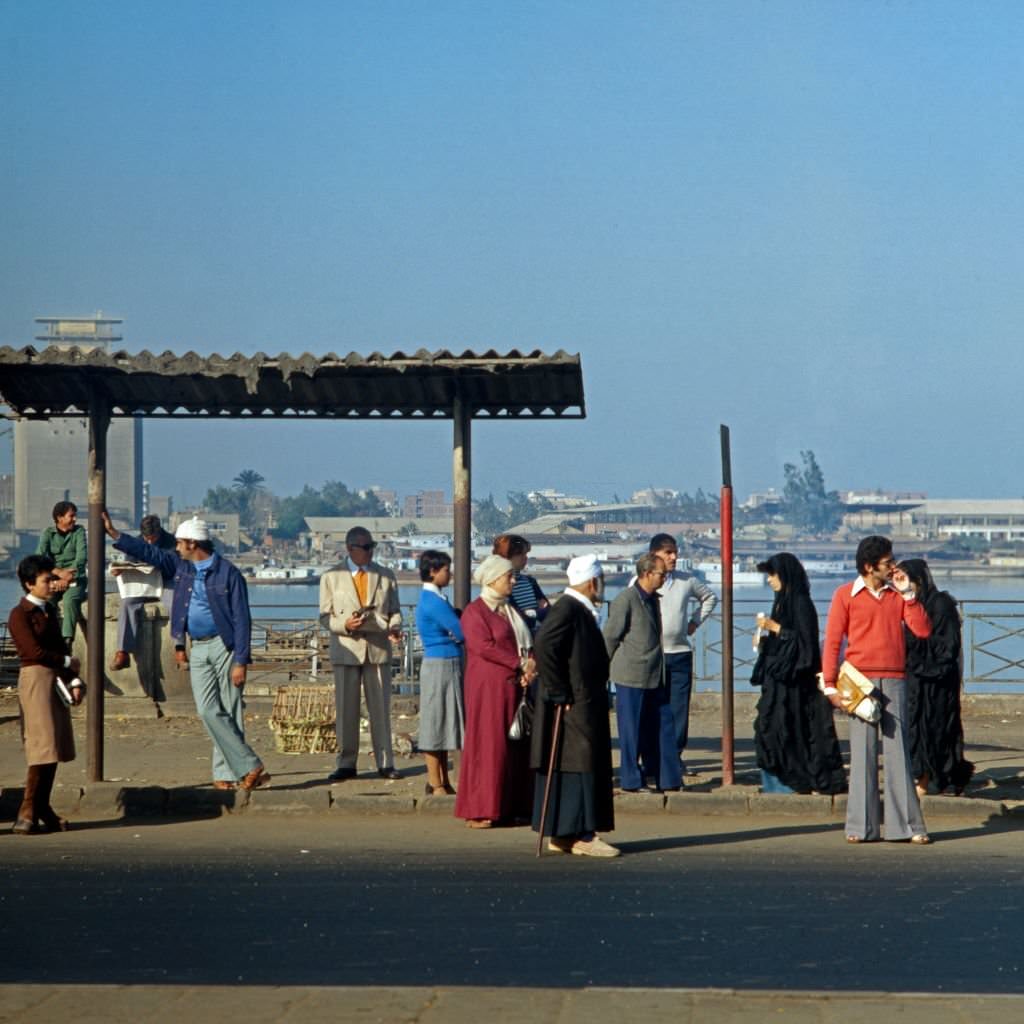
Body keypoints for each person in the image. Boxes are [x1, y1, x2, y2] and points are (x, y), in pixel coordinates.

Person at [102, 510, 270, 792]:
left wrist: (241, 660)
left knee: (230, 710)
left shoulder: (228, 573)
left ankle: (227, 773)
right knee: (207, 710)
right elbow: (149, 553)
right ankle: (249, 765)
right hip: (199, 645)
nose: (176, 547)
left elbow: (242, 619)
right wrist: (116, 535)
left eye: (180, 543)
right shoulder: (182, 568)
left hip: (224, 645)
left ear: (193, 544)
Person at [821, 535, 931, 844]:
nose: (893, 565)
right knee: (863, 755)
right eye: (887, 562)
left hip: (895, 678)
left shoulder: (898, 596)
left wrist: (909, 594)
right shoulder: (845, 595)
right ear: (870, 567)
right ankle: (860, 826)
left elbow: (922, 630)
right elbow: (832, 641)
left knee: (899, 756)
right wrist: (830, 685)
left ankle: (908, 827)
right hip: (859, 682)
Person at [531, 554, 619, 857]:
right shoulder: (568, 608)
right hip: (573, 703)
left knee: (575, 765)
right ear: (593, 582)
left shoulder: (579, 608)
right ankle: (582, 834)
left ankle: (565, 833)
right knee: (582, 764)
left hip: (582, 699)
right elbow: (544, 645)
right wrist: (558, 692)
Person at [750, 553, 846, 795]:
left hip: (795, 685)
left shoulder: (801, 603)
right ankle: (776, 785)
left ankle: (791, 784)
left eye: (773, 575)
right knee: (769, 730)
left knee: (789, 732)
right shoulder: (781, 602)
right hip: (778, 682)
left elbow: (806, 644)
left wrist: (776, 628)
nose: (770, 580)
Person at [454, 554, 536, 828]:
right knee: (489, 746)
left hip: (513, 685)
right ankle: (481, 807)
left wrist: (527, 668)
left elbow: (523, 641)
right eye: (508, 577)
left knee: (515, 745)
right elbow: (483, 647)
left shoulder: (508, 609)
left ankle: (512, 804)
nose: (513, 581)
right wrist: (519, 663)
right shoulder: (475, 612)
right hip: (488, 687)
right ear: (493, 579)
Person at [8, 555, 85, 834]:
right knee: (42, 745)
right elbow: (32, 652)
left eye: (52, 578)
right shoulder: (20, 614)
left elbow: (58, 649)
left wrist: (73, 679)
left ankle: (40, 807)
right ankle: (28, 808)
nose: (52, 584)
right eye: (46, 580)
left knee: (53, 746)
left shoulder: (49, 612)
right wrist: (67, 664)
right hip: (36, 679)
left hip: (53, 679)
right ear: (30, 584)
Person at [320, 526, 403, 781]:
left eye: (371, 547)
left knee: (380, 709)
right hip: (346, 650)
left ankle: (385, 762)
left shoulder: (386, 575)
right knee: (346, 709)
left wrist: (395, 626)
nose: (369, 552)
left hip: (377, 649)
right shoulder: (331, 577)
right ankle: (346, 762)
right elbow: (324, 616)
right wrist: (344, 625)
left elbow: (395, 611)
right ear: (350, 548)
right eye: (365, 548)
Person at [604, 552, 681, 793]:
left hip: (654, 675)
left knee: (663, 726)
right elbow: (610, 637)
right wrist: (601, 672)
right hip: (630, 676)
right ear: (646, 574)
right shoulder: (626, 600)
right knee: (632, 731)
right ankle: (631, 781)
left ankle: (668, 778)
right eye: (661, 574)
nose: (665, 578)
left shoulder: (652, 599)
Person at [898, 559, 974, 797]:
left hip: (939, 681)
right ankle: (923, 777)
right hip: (917, 680)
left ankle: (944, 778)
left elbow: (947, 646)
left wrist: (919, 651)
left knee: (940, 728)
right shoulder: (908, 605)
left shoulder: (939, 604)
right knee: (917, 728)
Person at [647, 533, 717, 777]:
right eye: (668, 552)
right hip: (652, 655)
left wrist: (694, 622)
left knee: (678, 710)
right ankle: (652, 760)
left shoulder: (686, 581)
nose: (674, 557)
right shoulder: (642, 580)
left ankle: (674, 758)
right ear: (654, 554)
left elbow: (710, 597)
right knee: (652, 709)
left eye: (675, 552)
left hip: (680, 654)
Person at [414, 549, 464, 795]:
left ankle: (442, 780)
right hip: (440, 664)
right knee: (436, 722)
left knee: (443, 721)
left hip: (444, 662)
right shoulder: (433, 601)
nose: (450, 574)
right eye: (446, 569)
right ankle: (435, 782)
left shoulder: (436, 599)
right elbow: (460, 629)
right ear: (433, 571)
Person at [110, 514, 176, 671]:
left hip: (164, 582)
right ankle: (123, 651)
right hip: (143, 584)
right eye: (147, 538)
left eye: (153, 538)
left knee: (174, 601)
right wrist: (121, 569)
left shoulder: (172, 542)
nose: (150, 542)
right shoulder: (137, 541)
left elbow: (172, 567)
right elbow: (129, 562)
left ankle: (179, 647)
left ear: (160, 532)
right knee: (127, 602)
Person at [36, 500, 87, 650]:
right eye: (71, 516)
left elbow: (81, 558)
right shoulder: (48, 534)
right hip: (55, 580)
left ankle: (67, 641)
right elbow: (40, 557)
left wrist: (68, 577)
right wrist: (58, 573)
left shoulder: (79, 531)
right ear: (59, 518)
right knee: (46, 601)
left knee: (70, 600)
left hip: (76, 578)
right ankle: (45, 638)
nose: (75, 519)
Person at [493, 534, 549, 634]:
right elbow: (516, 619)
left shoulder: (530, 582)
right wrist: (538, 613)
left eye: (526, 554)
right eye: (521, 554)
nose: (525, 558)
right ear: (506, 556)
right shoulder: (499, 586)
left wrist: (529, 614)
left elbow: (550, 614)